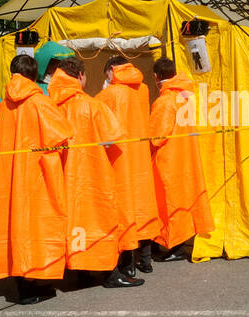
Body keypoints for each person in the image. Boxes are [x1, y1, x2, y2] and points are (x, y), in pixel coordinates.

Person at [0, 54, 74, 304]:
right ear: (35, 75)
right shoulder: (39, 103)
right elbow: (62, 136)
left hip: (8, 175)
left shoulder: (5, 103)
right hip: (35, 177)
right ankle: (30, 284)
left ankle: (22, 283)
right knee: (35, 229)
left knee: (15, 228)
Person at [47, 56, 143, 288]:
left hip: (62, 179)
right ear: (80, 76)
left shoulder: (50, 105)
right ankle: (110, 273)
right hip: (93, 176)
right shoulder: (92, 105)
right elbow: (113, 138)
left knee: (72, 223)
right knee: (101, 222)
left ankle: (79, 270)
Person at [97, 55, 161, 275]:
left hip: (120, 159)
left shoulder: (108, 94)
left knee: (124, 211)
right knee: (143, 208)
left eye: (106, 74)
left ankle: (128, 265)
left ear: (112, 70)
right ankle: (146, 260)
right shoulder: (143, 90)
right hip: (141, 159)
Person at [148, 56, 213, 260]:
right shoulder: (186, 96)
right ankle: (178, 243)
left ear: (156, 77)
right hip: (186, 157)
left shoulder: (164, 102)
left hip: (169, 160)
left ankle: (173, 247)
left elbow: (156, 137)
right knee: (184, 202)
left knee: (169, 204)